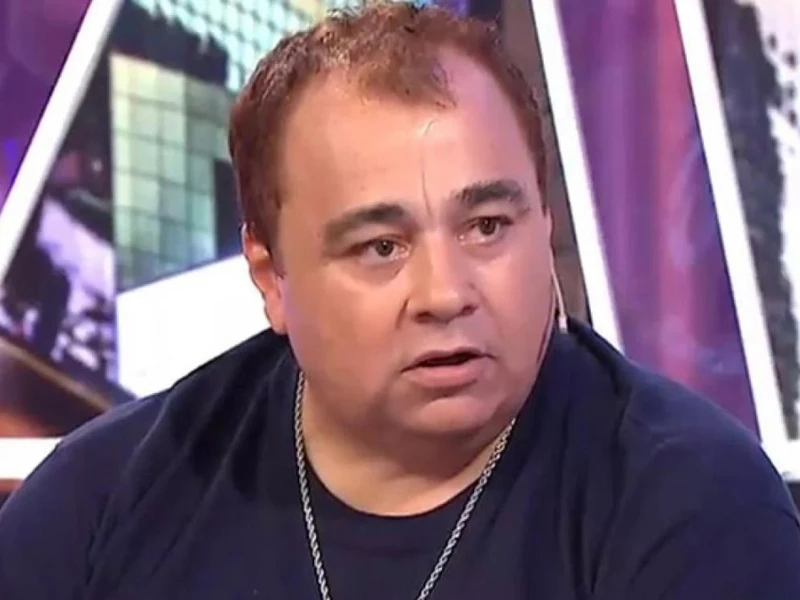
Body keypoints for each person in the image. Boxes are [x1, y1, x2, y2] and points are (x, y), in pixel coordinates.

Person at [1, 3, 799, 599]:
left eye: (487, 227)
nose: (446, 294)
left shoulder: (694, 510)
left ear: (544, 223)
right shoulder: (101, 505)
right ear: (271, 277)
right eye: (381, 246)